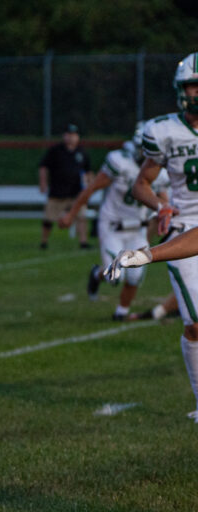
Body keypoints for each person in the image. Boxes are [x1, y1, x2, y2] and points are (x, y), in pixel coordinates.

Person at [105, 52, 198, 421]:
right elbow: (141, 183)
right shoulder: (164, 131)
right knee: (195, 325)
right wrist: (160, 204)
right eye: (191, 85)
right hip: (182, 227)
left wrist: (144, 254)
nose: (194, 93)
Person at [58, 128, 169, 320]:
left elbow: (163, 199)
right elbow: (91, 188)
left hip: (138, 228)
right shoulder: (120, 163)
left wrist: (166, 214)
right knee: (114, 276)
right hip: (113, 226)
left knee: (135, 276)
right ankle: (97, 274)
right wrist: (71, 215)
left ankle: (121, 313)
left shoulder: (160, 173)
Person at [39, 123, 93, 250]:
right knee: (48, 218)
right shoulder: (55, 151)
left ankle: (83, 242)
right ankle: (44, 242)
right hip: (57, 192)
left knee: (81, 217)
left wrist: (90, 183)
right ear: (64, 136)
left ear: (77, 137)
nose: (71, 138)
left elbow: (88, 171)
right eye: (68, 135)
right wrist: (43, 182)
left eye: (73, 135)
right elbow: (43, 167)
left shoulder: (82, 152)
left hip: (76, 192)